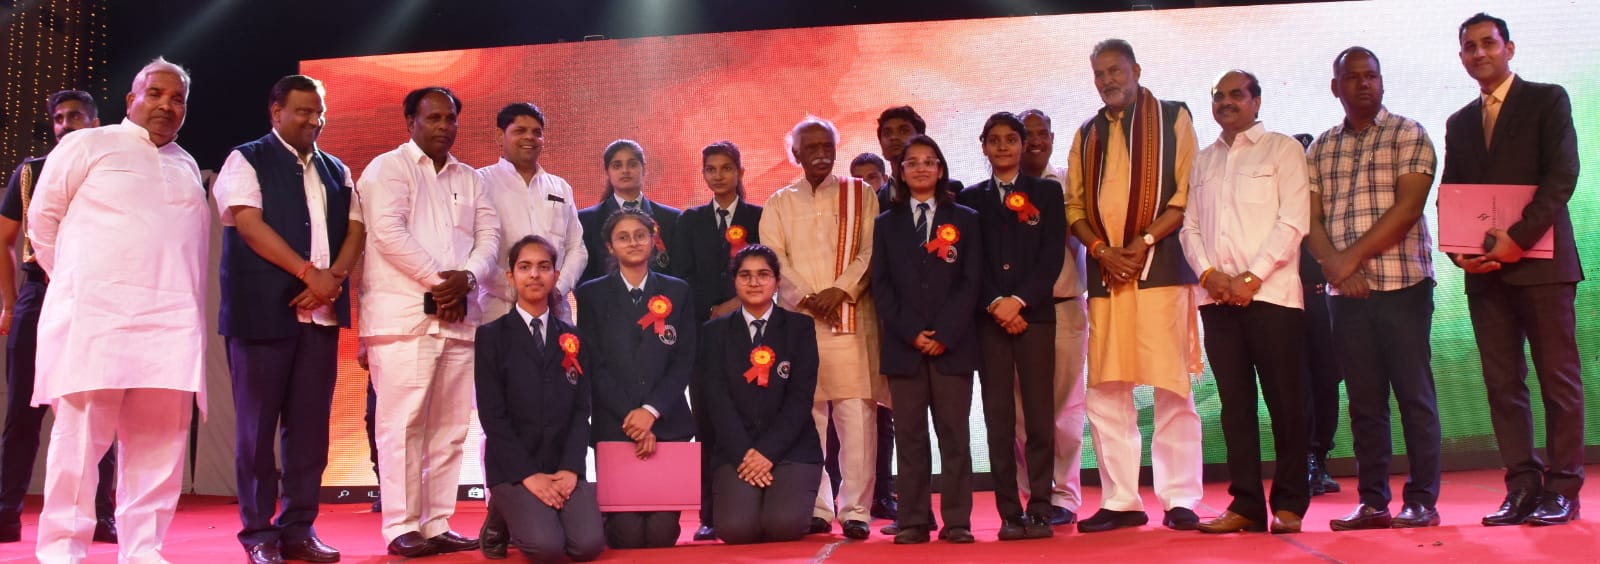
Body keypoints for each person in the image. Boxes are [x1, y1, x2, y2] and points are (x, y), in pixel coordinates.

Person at [28, 57, 207, 563]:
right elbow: (44, 223)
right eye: (156, 94)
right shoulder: (87, 143)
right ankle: (62, 551)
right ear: (131, 100)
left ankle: (143, 550)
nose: (167, 105)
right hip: (96, 320)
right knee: (79, 444)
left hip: (170, 326)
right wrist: (80, 286)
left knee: (160, 447)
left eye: (178, 99)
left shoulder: (187, 163)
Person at [214, 74, 363, 564]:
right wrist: (307, 272)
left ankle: (299, 528)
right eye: (301, 111)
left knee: (310, 433)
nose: (312, 121)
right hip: (261, 316)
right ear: (275, 111)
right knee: (256, 433)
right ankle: (258, 535)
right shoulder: (246, 158)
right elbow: (249, 225)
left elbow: (356, 227)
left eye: (318, 112)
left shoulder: (336, 169)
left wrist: (334, 277)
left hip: (319, 320)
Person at [1445, 13, 1583, 527]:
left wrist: (1517, 241)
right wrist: (1460, 251)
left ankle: (1563, 487)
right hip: (1485, 274)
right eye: (1470, 47)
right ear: (1461, 57)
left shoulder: (1548, 99)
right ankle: (1522, 487)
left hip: (1543, 267)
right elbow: (1456, 194)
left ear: (1509, 48)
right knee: (1503, 385)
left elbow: (1562, 175)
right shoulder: (1459, 122)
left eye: (1488, 43)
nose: (1479, 53)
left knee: (1558, 381)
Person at [1066, 39, 1204, 533]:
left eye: (1115, 70)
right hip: (1108, 276)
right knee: (1106, 390)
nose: (1107, 80)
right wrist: (1103, 251)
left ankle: (1180, 497)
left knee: (1171, 387)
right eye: (1099, 73)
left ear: (1136, 69)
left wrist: (1143, 241)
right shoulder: (1087, 132)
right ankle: (1121, 500)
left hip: (1163, 268)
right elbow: (1075, 207)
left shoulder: (1173, 117)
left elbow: (1186, 192)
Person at [359, 86, 499, 557]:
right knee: (402, 426)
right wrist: (445, 283)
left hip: (461, 320)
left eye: (450, 118)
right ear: (410, 122)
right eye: (433, 118)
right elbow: (387, 233)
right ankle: (400, 526)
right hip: (405, 321)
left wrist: (470, 277)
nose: (443, 126)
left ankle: (437, 522)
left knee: (451, 428)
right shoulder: (387, 167)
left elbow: (489, 236)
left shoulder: (471, 178)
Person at [1307, 47, 1442, 531]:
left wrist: (1346, 262)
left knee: (1414, 396)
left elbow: (1407, 210)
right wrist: (1339, 270)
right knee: (1364, 402)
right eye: (1354, 77)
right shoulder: (1320, 147)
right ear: (1335, 86)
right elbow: (1311, 219)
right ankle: (1372, 501)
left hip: (1403, 286)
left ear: (1382, 82)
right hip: (1348, 296)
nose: (1364, 84)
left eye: (1372, 76)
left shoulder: (1409, 133)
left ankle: (1422, 500)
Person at [1179, 70, 1311, 535]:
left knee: (1286, 402)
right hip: (1218, 301)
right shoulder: (1203, 160)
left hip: (1272, 297)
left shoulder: (1284, 150)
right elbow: (1188, 228)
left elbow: (1294, 222)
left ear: (1257, 101)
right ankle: (1247, 505)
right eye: (1218, 96)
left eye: (1236, 94)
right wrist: (1211, 276)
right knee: (1235, 406)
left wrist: (1250, 278)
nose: (1226, 102)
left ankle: (1291, 503)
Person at [0, 90, 117, 546]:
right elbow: (5, 239)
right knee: (23, 412)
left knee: (98, 409)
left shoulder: (110, 171)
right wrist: (9, 302)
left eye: (76, 116)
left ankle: (101, 515)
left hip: (96, 298)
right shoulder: (30, 171)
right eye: (59, 118)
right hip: (40, 294)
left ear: (95, 122)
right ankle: (6, 512)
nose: (66, 124)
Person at [759, 116, 883, 540]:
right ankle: (816, 505)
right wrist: (811, 298)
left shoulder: (859, 193)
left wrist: (840, 291)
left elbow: (870, 251)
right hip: (801, 323)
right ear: (795, 154)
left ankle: (856, 510)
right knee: (807, 418)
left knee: (856, 421)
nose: (820, 153)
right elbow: (775, 260)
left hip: (850, 320)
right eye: (810, 147)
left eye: (826, 145)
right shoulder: (779, 201)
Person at [957, 112, 1064, 540]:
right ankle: (1008, 512)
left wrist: (1019, 300)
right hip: (988, 320)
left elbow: (1051, 255)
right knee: (998, 418)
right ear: (983, 146)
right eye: (995, 140)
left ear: (1023, 146)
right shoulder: (969, 199)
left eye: (1011, 140)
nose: (1003, 147)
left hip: (1034, 316)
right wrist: (994, 303)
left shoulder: (1046, 193)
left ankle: (1040, 506)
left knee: (1039, 417)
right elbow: (970, 262)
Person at [872, 135, 981, 545]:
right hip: (904, 348)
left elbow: (971, 282)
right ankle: (915, 520)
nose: (920, 168)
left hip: (953, 347)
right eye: (911, 162)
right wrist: (910, 333)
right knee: (911, 437)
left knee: (954, 435)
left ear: (940, 168)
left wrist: (945, 334)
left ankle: (957, 521)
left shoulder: (966, 219)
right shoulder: (886, 224)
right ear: (900, 172)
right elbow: (881, 287)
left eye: (928, 161)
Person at [475, 235, 605, 562]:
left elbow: (580, 411)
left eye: (543, 267)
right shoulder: (492, 337)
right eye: (525, 267)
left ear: (556, 276)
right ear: (511, 277)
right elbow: (493, 418)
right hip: (514, 469)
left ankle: (538, 510)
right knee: (547, 549)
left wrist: (571, 469)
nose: (535, 275)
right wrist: (528, 475)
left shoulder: (573, 338)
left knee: (586, 546)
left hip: (562, 466)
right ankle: (501, 512)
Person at [575, 208, 696, 549]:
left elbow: (684, 359)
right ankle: (603, 515)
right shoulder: (590, 295)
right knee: (626, 537)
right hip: (616, 426)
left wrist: (652, 411)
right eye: (623, 237)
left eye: (640, 235)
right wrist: (633, 417)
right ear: (610, 247)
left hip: (666, 423)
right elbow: (593, 363)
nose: (633, 242)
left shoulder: (678, 291)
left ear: (653, 240)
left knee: (660, 537)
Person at [698, 245, 824, 544]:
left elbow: (799, 399)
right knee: (736, 530)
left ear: (777, 281)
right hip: (736, 450)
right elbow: (717, 400)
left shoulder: (800, 327)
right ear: (735, 281)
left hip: (792, 448)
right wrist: (746, 454)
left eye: (763, 275)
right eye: (746, 275)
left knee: (783, 526)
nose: (754, 283)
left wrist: (766, 453)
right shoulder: (714, 332)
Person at [673, 140, 763, 541]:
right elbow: (681, 277)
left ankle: (760, 504)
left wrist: (735, 302)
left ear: (740, 172)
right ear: (704, 174)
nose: (719, 175)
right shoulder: (689, 221)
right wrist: (713, 310)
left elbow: (769, 274)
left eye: (727, 168)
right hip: (705, 337)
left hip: (753, 336)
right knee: (708, 425)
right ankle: (710, 514)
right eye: (711, 169)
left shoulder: (759, 217)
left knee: (752, 420)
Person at [1016, 108, 1089, 526]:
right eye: (1027, 135)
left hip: (1063, 307)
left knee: (1064, 409)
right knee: (1022, 411)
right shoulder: (1000, 191)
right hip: (1017, 315)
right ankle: (1033, 494)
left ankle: (1063, 495)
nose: (1036, 141)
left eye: (1043, 133)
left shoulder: (1069, 185)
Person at [476, 102, 588, 324]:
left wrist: (556, 289)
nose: (530, 137)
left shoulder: (560, 187)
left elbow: (577, 248)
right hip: (500, 311)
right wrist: (516, 291)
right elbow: (475, 249)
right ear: (500, 136)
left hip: (555, 310)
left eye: (537, 133)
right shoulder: (479, 183)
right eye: (520, 131)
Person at [1292, 131, 1345, 498]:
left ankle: (1320, 457)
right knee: (1298, 386)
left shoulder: (1332, 201)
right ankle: (1303, 460)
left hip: (1327, 301)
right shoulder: (1280, 203)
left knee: (1327, 382)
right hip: (1290, 303)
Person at [577, 140, 680, 283]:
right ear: (607, 171)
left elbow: (678, 274)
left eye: (632, 164)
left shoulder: (672, 218)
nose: (625, 170)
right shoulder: (586, 220)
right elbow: (583, 278)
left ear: (644, 169)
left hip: (661, 303)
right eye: (617, 165)